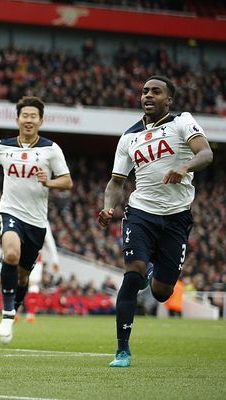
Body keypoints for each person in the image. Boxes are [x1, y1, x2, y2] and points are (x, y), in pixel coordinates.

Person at [98, 75, 212, 367]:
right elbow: (116, 181)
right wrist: (109, 207)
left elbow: (206, 153)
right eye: (145, 91)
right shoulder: (128, 137)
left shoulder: (182, 122)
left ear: (169, 100)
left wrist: (185, 165)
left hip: (176, 217)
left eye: (156, 91)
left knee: (162, 293)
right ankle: (122, 350)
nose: (148, 95)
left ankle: (153, 272)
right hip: (140, 213)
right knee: (133, 273)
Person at [0, 96, 72, 344]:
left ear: (41, 120)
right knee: (11, 254)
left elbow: (67, 181)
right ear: (17, 119)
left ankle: (13, 308)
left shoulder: (50, 149)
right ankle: (7, 313)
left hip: (36, 222)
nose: (28, 120)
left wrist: (48, 181)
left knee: (23, 276)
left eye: (33, 116)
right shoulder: (3, 146)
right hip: (9, 211)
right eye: (24, 115)